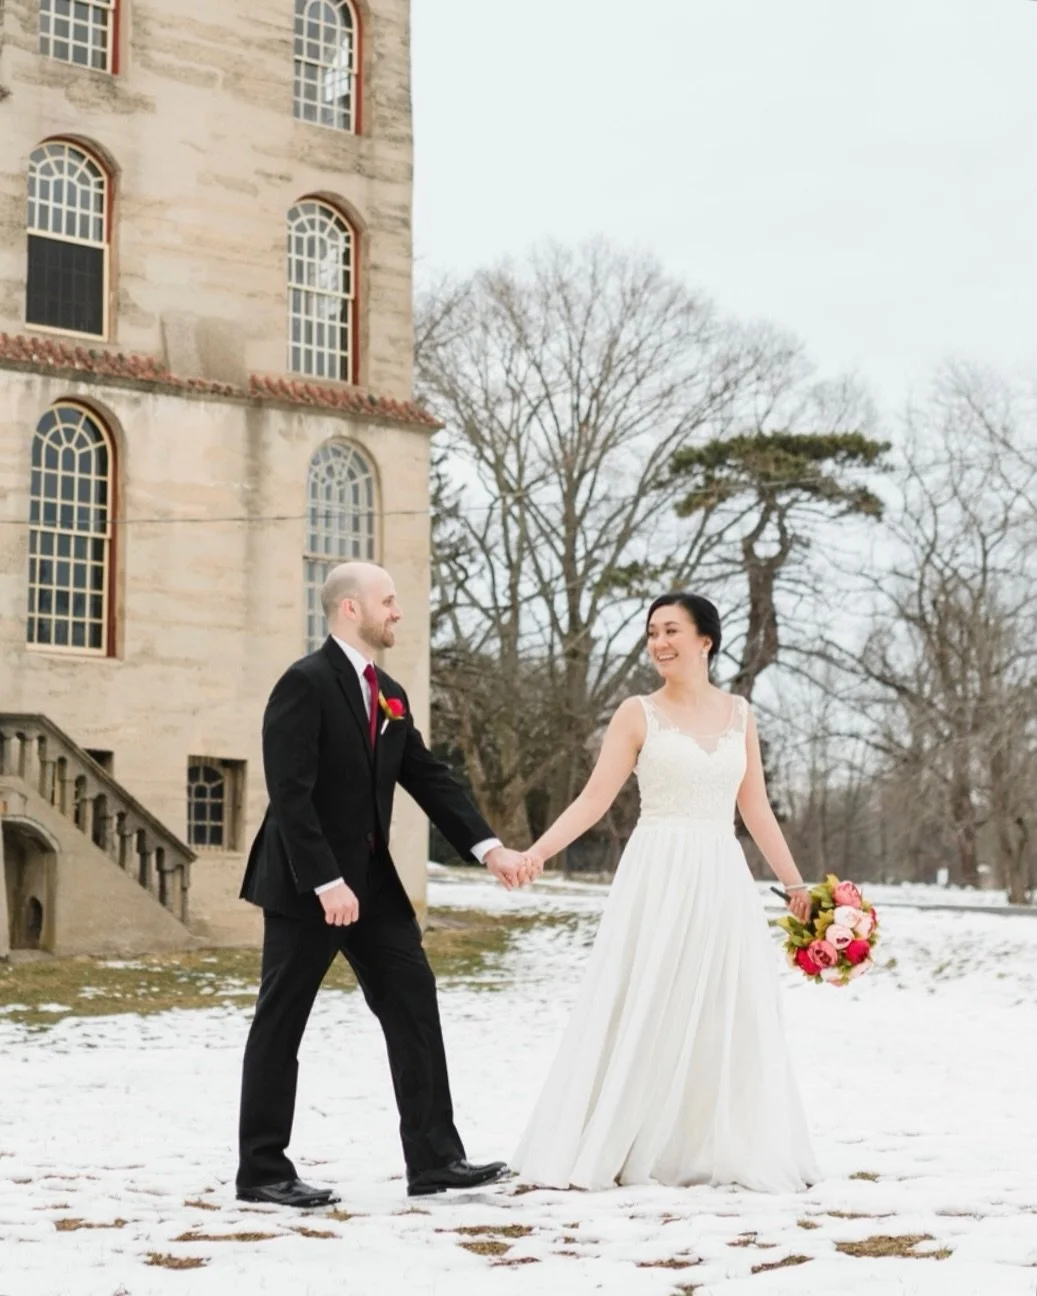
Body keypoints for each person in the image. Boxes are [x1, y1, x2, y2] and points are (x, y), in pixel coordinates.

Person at [236, 561, 530, 1208]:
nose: (398, 611)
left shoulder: (388, 691)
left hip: (372, 886)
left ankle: (435, 1160)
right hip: (305, 885)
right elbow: (291, 794)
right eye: (388, 601)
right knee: (281, 1021)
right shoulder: (304, 683)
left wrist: (488, 849)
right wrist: (324, 881)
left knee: (413, 1002)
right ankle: (261, 1171)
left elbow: (427, 775)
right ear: (349, 609)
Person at [511, 593, 819, 1193]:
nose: (660, 643)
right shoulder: (636, 713)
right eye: (653, 632)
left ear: (706, 639)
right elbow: (594, 798)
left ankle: (706, 1143)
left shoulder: (741, 715)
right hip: (657, 871)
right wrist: (538, 852)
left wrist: (794, 884)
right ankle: (619, 1137)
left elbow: (754, 807)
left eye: (672, 630)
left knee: (720, 1007)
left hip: (720, 873)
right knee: (647, 996)